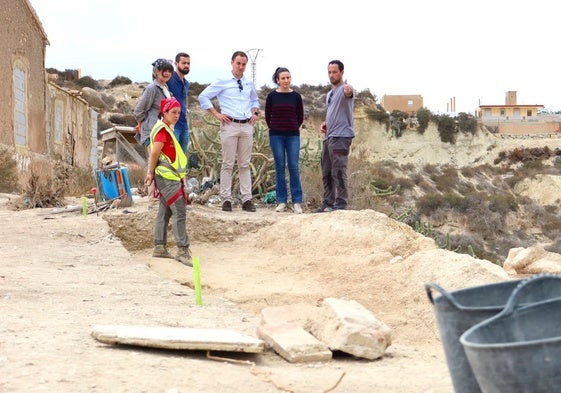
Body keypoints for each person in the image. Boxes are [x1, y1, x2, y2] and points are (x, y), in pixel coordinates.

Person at [198, 51, 260, 213]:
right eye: (238, 63)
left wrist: (255, 112)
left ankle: (247, 199)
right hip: (229, 125)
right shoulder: (223, 81)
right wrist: (216, 114)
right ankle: (226, 199)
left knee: (245, 164)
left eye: (243, 64)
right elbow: (203, 96)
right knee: (227, 163)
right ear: (232, 63)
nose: (241, 67)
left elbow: (254, 99)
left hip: (246, 125)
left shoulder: (248, 83)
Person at [144, 97, 192, 267]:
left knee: (165, 212)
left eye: (179, 112)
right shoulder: (162, 131)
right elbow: (154, 153)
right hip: (167, 177)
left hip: (168, 177)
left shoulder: (165, 129)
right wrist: (150, 173)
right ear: (164, 112)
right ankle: (183, 250)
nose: (177, 115)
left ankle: (159, 246)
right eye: (173, 112)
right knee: (179, 211)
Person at [265, 67, 304, 214]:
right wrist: (276, 128)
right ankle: (281, 201)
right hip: (276, 136)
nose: (286, 80)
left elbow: (300, 117)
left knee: (293, 166)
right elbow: (268, 116)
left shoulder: (296, 96)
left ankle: (296, 202)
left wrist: (292, 126)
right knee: (279, 166)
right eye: (283, 78)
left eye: (288, 77)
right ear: (277, 80)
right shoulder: (271, 96)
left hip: (293, 135)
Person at [317, 60, 355, 212]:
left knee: (338, 171)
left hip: (341, 136)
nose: (332, 75)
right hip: (329, 136)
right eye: (329, 72)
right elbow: (334, 111)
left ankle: (340, 205)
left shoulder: (346, 89)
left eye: (335, 72)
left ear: (342, 72)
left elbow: (349, 92)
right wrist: (325, 123)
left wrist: (348, 90)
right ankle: (328, 203)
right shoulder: (329, 94)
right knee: (326, 172)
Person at [133, 59, 174, 151]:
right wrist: (141, 125)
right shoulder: (152, 88)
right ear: (157, 71)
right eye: (164, 70)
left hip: (163, 132)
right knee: (154, 164)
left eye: (169, 71)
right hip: (152, 133)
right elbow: (139, 111)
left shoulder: (165, 89)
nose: (167, 73)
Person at [167, 52, 191, 154]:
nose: (186, 65)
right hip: (172, 126)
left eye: (188, 63)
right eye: (183, 63)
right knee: (171, 157)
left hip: (184, 126)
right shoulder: (170, 79)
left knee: (182, 158)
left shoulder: (186, 83)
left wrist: (185, 109)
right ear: (176, 64)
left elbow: (183, 99)